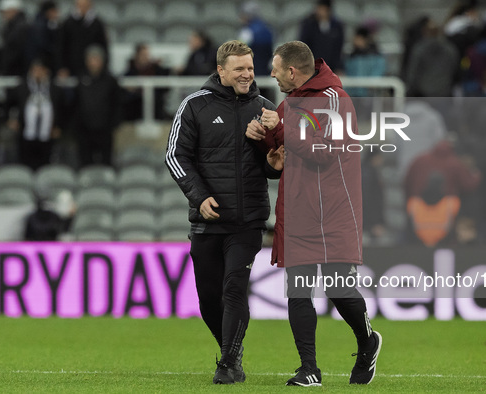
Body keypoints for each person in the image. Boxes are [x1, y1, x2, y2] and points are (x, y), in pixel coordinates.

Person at [245, 41, 381, 386]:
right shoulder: (288, 104)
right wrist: (265, 144)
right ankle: (309, 369)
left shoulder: (336, 100)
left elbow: (323, 151)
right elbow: (283, 155)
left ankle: (367, 342)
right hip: (298, 210)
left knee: (339, 290)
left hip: (333, 211)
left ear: (292, 70)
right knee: (298, 289)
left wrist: (279, 129)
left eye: (275, 68)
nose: (271, 74)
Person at [165, 40, 281, 385]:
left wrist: (274, 162)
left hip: (247, 220)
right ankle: (232, 351)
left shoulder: (265, 109)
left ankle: (228, 361)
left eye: (250, 67)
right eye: (239, 69)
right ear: (221, 71)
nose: (247, 74)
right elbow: (175, 156)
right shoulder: (194, 105)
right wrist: (199, 197)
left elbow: (272, 165)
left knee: (234, 289)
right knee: (208, 300)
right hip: (206, 220)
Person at [5, 59, 65, 170]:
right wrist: (11, 120)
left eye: (40, 70)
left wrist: (59, 126)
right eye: (35, 70)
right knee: (25, 166)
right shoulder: (22, 87)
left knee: (46, 166)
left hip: (47, 134)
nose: (37, 73)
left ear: (46, 71)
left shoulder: (54, 89)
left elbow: (63, 109)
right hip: (26, 134)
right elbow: (9, 103)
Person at [73, 45, 120, 167]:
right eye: (91, 59)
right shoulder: (81, 79)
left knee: (105, 162)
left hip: (105, 129)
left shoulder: (110, 81)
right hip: (84, 130)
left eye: (96, 59)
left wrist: (113, 123)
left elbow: (117, 103)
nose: (93, 63)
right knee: (85, 162)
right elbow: (76, 104)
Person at [57, 0, 109, 78]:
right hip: (71, 68)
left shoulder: (97, 24)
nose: (82, 8)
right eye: (80, 5)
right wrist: (61, 67)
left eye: (85, 5)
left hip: (92, 69)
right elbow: (61, 47)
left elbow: (103, 47)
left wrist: (103, 66)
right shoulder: (68, 23)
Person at [123, 43, 170, 121]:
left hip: (154, 104)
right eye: (143, 55)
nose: (146, 57)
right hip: (136, 105)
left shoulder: (156, 69)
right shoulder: (131, 71)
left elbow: (165, 86)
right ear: (137, 56)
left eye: (147, 55)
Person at [298, 0, 345, 73]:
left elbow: (338, 49)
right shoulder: (308, 25)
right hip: (312, 67)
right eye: (318, 9)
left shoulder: (337, 26)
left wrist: (338, 67)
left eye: (322, 9)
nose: (319, 12)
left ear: (328, 10)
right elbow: (303, 46)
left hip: (331, 67)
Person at [25, 0, 61, 75]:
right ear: (49, 11)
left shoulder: (44, 23)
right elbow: (43, 45)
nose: (57, 14)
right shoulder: (41, 26)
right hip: (40, 64)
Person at [0, 0, 29, 77]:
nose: (3, 14)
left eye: (5, 11)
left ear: (13, 11)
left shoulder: (20, 27)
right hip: (12, 70)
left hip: (16, 71)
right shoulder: (10, 26)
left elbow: (17, 50)